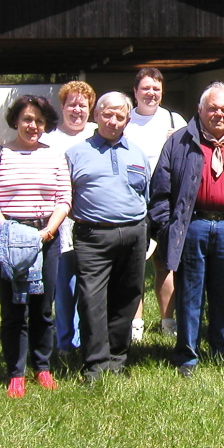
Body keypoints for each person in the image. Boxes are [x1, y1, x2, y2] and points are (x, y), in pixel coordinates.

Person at [150, 82, 224, 376]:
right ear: (200, 110)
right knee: (190, 293)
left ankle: (222, 350)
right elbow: (161, 190)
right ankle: (187, 356)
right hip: (192, 226)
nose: (218, 114)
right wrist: (166, 227)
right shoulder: (179, 142)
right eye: (212, 108)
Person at [0, 95, 72, 398]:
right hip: (8, 237)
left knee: (43, 308)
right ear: (16, 121)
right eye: (27, 119)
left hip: (46, 237)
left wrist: (48, 231)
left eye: (39, 121)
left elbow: (64, 199)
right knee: (13, 307)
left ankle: (42, 367)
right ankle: (15, 372)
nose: (33, 126)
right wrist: (6, 229)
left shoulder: (56, 156)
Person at [67, 92, 150, 382]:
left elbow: (145, 194)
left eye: (120, 116)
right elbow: (65, 197)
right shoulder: (76, 153)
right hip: (93, 236)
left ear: (127, 119)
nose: (113, 121)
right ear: (96, 115)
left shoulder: (137, 153)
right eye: (108, 114)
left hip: (134, 233)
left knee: (127, 297)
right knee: (92, 300)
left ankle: (118, 358)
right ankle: (95, 364)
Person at [124, 67, 186, 341]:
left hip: (166, 204)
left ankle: (167, 321)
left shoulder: (174, 120)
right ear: (135, 91)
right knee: (134, 265)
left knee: (165, 264)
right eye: (146, 88)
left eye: (156, 89)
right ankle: (135, 323)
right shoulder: (123, 122)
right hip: (131, 203)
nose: (151, 93)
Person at [40, 80, 97, 367]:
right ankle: (65, 343)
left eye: (83, 105)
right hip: (60, 223)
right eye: (71, 104)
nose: (77, 110)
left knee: (91, 285)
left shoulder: (99, 135)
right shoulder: (49, 140)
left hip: (94, 223)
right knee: (65, 286)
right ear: (62, 107)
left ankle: (89, 340)